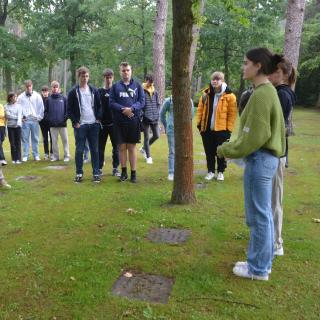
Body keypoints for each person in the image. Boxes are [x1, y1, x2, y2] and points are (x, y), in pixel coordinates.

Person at [217, 47, 286, 281]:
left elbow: (253, 137)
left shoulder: (262, 94)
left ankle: (258, 269)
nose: (243, 66)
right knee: (261, 215)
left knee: (259, 217)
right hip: (265, 160)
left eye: (246, 63)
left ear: (258, 66)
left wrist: (225, 149)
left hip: (261, 160)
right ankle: (259, 262)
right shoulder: (266, 91)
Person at [269, 56, 297, 256]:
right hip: (276, 151)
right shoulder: (279, 92)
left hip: (277, 152)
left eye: (276, 72)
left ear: (285, 74)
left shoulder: (283, 94)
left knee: (274, 199)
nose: (271, 74)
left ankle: (277, 243)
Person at [197, 71, 237, 181]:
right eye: (213, 79)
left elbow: (232, 114)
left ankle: (220, 172)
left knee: (221, 152)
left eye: (217, 79)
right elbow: (200, 111)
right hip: (207, 130)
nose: (214, 81)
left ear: (222, 81)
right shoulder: (206, 94)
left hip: (222, 130)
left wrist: (228, 129)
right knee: (209, 151)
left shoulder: (230, 96)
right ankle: (210, 171)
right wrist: (199, 126)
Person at [110, 62, 145, 183]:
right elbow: (112, 102)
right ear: (120, 72)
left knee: (131, 147)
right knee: (121, 147)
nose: (126, 72)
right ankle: (123, 172)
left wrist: (132, 109)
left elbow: (142, 101)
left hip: (133, 121)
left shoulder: (138, 85)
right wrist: (123, 110)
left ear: (131, 71)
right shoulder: (115, 87)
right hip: (119, 121)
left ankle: (133, 173)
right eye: (123, 70)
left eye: (128, 70)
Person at [67, 66, 102, 183]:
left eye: (87, 76)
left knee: (95, 150)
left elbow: (99, 105)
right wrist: (75, 122)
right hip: (80, 125)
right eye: (83, 76)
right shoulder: (73, 92)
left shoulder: (94, 90)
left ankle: (96, 173)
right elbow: (69, 110)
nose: (85, 78)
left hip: (93, 124)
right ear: (79, 77)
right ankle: (79, 173)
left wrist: (98, 119)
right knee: (79, 150)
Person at [160, 96, 194, 181]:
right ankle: (171, 172)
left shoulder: (188, 100)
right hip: (171, 130)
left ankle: (182, 171)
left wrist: (186, 125)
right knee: (172, 151)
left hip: (183, 130)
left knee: (184, 151)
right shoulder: (169, 100)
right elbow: (161, 114)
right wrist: (166, 126)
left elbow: (191, 114)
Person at [98, 68, 120, 176]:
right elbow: (96, 107)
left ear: (113, 78)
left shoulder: (116, 91)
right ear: (104, 78)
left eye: (110, 77)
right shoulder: (99, 91)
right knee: (100, 147)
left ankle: (116, 168)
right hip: (102, 124)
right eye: (107, 78)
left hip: (114, 124)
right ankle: (99, 168)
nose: (109, 80)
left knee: (116, 147)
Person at [17, 80, 44, 162]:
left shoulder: (37, 96)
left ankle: (36, 155)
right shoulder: (21, 97)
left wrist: (39, 117)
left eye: (30, 86)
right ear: (25, 87)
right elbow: (18, 108)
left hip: (34, 119)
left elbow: (41, 107)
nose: (29, 88)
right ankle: (25, 155)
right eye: (27, 86)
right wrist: (21, 117)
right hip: (26, 120)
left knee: (35, 138)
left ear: (32, 86)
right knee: (25, 138)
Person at [46, 81, 70, 162]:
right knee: (54, 142)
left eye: (56, 87)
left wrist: (64, 119)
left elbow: (67, 110)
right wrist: (50, 119)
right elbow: (46, 112)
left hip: (62, 124)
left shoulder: (64, 98)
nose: (55, 88)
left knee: (65, 141)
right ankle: (56, 156)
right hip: (52, 125)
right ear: (51, 88)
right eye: (53, 87)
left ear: (59, 88)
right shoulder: (48, 99)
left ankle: (67, 155)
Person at [140, 74, 161, 164]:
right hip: (145, 118)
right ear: (146, 80)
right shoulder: (141, 90)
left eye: (152, 82)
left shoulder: (155, 91)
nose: (150, 84)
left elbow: (158, 104)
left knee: (156, 135)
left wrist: (157, 113)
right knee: (146, 137)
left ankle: (143, 148)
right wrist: (142, 114)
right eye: (149, 82)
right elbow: (139, 104)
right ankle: (148, 157)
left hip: (155, 118)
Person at [4, 93, 23, 164]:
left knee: (18, 142)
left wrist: (18, 119)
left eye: (16, 97)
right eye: (15, 97)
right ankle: (14, 158)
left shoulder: (19, 106)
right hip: (10, 127)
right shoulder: (6, 106)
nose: (16, 98)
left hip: (18, 126)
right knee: (12, 143)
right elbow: (8, 116)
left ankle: (18, 158)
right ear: (10, 98)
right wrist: (17, 117)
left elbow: (20, 115)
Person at [40, 85, 53, 160]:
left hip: (50, 122)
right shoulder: (40, 99)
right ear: (41, 92)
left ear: (48, 91)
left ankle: (52, 153)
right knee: (45, 138)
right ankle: (46, 153)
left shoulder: (51, 99)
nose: (45, 93)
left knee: (52, 138)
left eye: (46, 91)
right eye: (43, 91)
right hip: (42, 122)